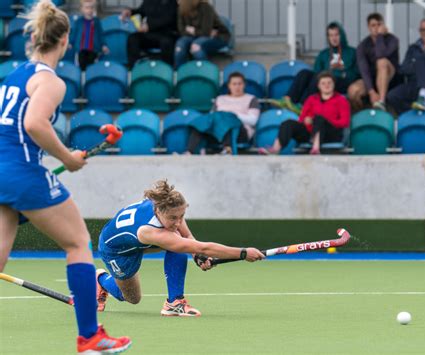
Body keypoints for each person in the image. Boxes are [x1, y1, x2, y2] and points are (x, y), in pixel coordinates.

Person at [0, 1, 131, 353]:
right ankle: (90, 336)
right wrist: (66, 159)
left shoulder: (15, 74)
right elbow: (33, 124)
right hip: (22, 171)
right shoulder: (50, 81)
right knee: (77, 243)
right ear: (65, 40)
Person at [95, 180, 265, 315]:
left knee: (177, 242)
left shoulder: (168, 206)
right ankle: (100, 280)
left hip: (134, 240)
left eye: (182, 216)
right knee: (131, 298)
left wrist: (198, 256)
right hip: (116, 251)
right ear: (158, 212)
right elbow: (202, 247)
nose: (178, 222)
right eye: (173, 218)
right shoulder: (149, 230)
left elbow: (190, 240)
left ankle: (174, 303)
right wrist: (243, 253)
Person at [271, 22, 359, 114]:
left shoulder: (352, 52)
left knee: (319, 78)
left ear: (342, 35)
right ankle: (288, 100)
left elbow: (356, 73)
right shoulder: (324, 54)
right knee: (304, 73)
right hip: (325, 81)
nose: (334, 38)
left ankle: (303, 106)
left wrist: (343, 74)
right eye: (331, 35)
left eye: (336, 35)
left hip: (342, 81)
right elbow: (316, 71)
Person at [259, 72, 350, 155]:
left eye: (329, 83)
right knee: (288, 123)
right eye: (323, 83)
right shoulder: (311, 99)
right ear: (318, 86)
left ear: (334, 85)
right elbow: (301, 118)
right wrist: (306, 120)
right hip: (311, 133)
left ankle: (315, 149)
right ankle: (275, 149)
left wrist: (324, 120)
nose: (326, 85)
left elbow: (344, 122)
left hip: (331, 134)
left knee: (319, 118)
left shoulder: (341, 100)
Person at [186, 72, 260, 155]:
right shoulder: (220, 99)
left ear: (244, 85)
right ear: (229, 85)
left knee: (227, 118)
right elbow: (211, 117)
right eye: (234, 84)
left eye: (240, 84)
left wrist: (233, 115)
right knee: (201, 124)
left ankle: (228, 150)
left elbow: (253, 120)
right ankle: (189, 152)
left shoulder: (251, 99)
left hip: (240, 132)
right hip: (217, 133)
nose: (237, 87)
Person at [347, 13, 399, 112]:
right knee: (353, 90)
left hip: (391, 78)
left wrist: (379, 36)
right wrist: (371, 91)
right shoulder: (363, 45)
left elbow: (380, 54)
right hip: (372, 79)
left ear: (383, 25)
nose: (376, 28)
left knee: (381, 62)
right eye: (373, 25)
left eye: (379, 25)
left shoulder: (393, 40)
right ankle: (361, 115)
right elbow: (364, 69)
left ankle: (381, 103)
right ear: (368, 27)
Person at [121, 0, 178, 67]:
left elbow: (170, 19)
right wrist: (130, 12)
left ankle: (167, 69)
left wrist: (150, 26)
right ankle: (134, 67)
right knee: (133, 38)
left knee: (166, 42)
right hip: (150, 34)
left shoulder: (172, 2)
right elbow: (141, 11)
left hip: (166, 34)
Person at [174, 0, 230, 68]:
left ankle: (205, 72)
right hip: (194, 36)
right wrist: (197, 32)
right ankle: (180, 74)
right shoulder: (181, 9)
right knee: (179, 46)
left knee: (196, 46)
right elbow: (181, 31)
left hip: (218, 36)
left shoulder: (205, 7)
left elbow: (205, 32)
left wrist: (193, 31)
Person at [69, 0, 109, 71]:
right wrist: (70, 43)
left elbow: (100, 34)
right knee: (81, 65)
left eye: (91, 8)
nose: (89, 10)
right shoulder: (78, 22)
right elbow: (74, 34)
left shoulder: (96, 21)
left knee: (92, 66)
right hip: (81, 50)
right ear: (82, 9)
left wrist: (103, 45)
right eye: (87, 8)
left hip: (93, 50)